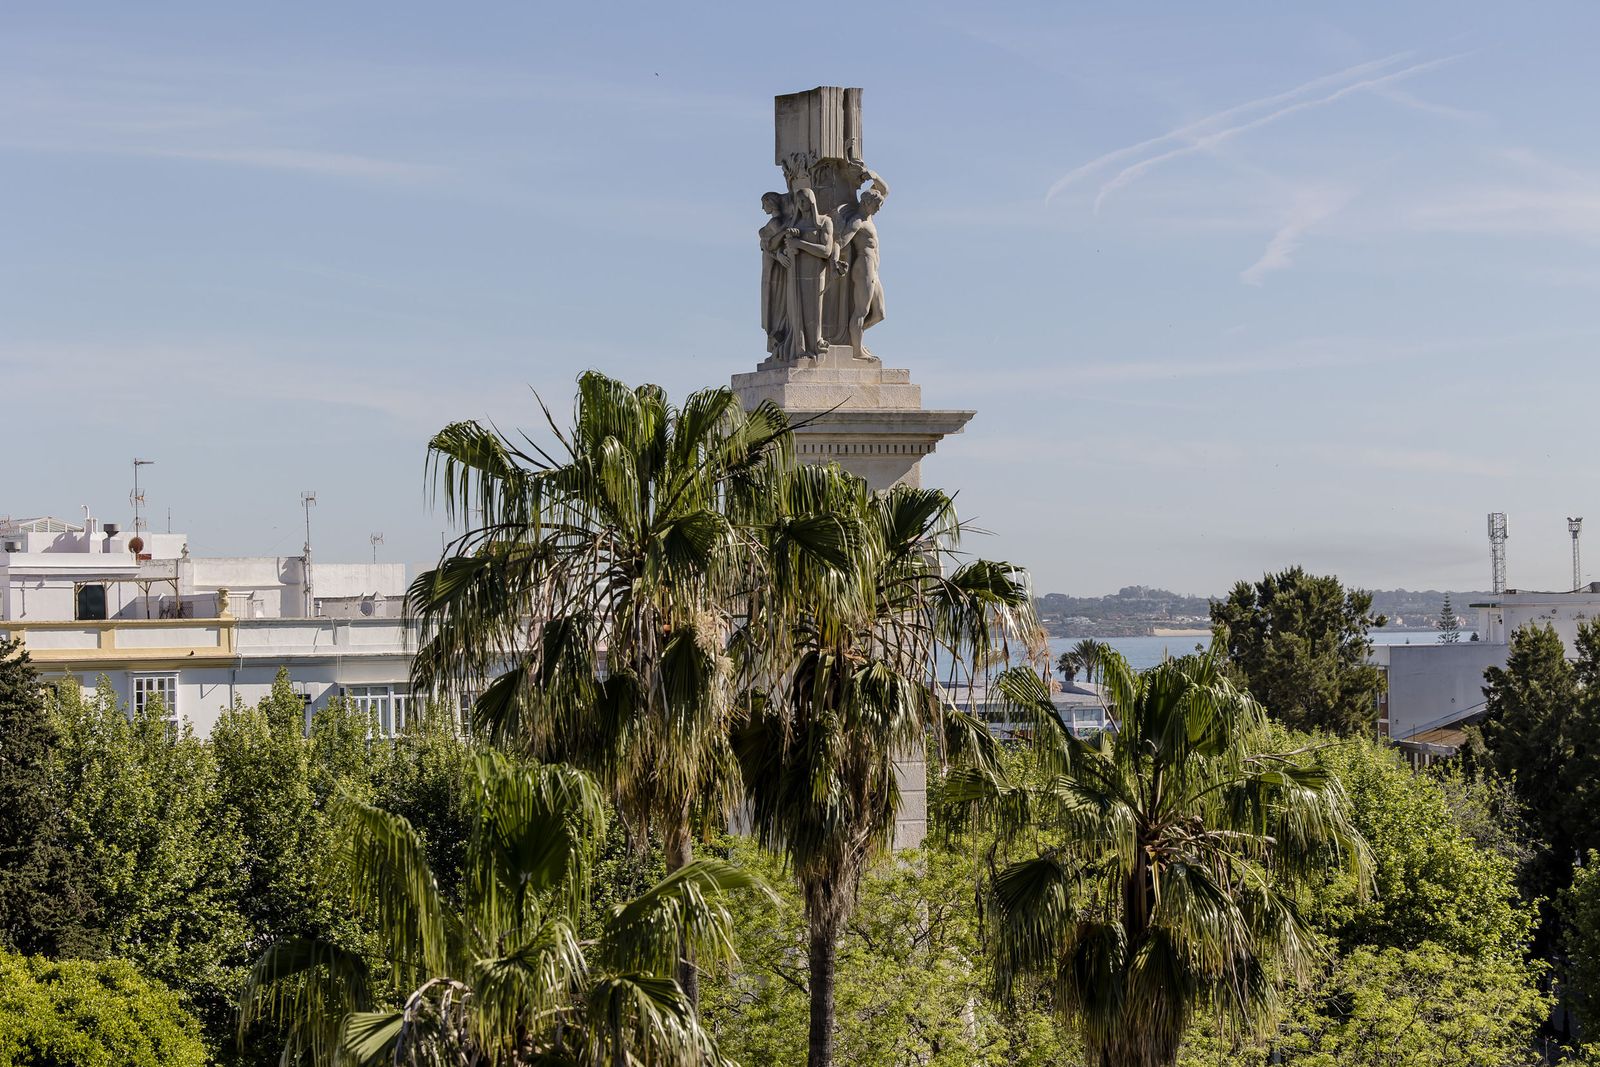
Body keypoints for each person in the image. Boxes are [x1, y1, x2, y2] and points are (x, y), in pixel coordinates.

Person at [831, 171, 888, 360]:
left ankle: (854, 338)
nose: (879, 209)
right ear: (866, 203)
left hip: (874, 270)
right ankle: (856, 349)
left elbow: (885, 190)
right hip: (863, 267)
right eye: (877, 205)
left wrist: (873, 175)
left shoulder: (869, 217)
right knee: (861, 311)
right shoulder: (857, 221)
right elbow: (841, 241)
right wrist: (835, 259)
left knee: (879, 314)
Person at [783, 188, 834, 360]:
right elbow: (786, 248)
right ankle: (801, 349)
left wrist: (800, 243)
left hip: (816, 272)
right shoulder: (794, 225)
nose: (802, 205)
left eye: (804, 201)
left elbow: (826, 251)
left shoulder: (824, 222)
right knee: (797, 311)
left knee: (814, 311)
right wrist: (784, 252)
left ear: (812, 202)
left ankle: (815, 346)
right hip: (795, 273)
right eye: (799, 202)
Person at [758, 191, 796, 358]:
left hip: (775, 271)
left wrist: (777, 254)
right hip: (772, 267)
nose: (762, 208)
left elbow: (775, 242)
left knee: (775, 307)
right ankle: (777, 344)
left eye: (764, 203)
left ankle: (779, 343)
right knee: (773, 306)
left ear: (771, 203)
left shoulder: (776, 222)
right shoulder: (777, 222)